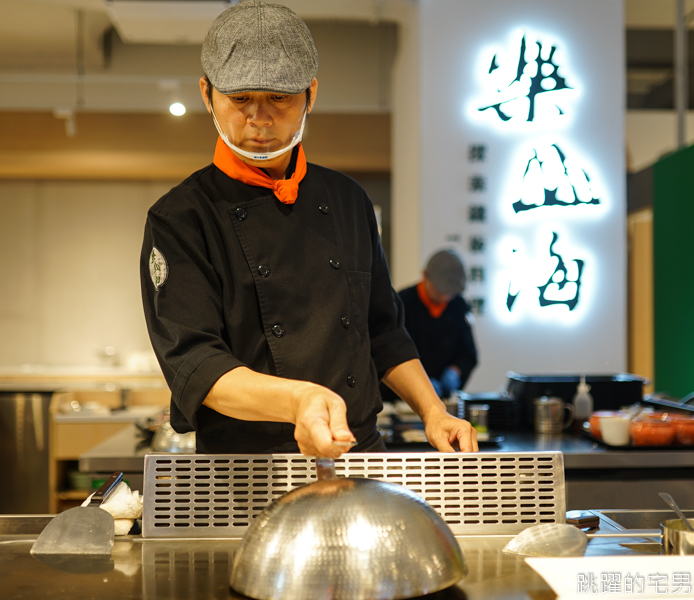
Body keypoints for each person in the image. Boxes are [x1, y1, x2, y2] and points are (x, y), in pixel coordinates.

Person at [140, 1, 477, 458]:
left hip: (360, 454)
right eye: (240, 100)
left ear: (311, 95)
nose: (259, 119)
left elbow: (384, 331)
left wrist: (433, 411)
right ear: (207, 93)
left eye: (280, 98)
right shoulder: (180, 218)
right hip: (244, 472)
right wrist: (300, 400)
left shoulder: (348, 200)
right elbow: (197, 365)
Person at [397, 249, 478, 398]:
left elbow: (468, 353)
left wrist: (455, 371)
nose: (445, 297)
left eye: (451, 293)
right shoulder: (402, 303)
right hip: (403, 399)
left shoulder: (458, 306)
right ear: (425, 276)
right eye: (440, 290)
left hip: (442, 397)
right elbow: (391, 353)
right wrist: (418, 383)